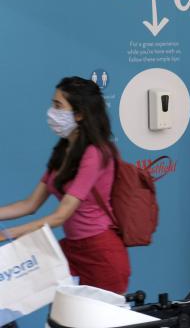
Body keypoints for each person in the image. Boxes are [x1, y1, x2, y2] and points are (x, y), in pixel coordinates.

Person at [0, 77, 130, 294]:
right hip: (72, 248)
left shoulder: (95, 153)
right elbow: (30, 204)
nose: (51, 111)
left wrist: (7, 234)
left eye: (58, 106)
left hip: (101, 252)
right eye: (53, 104)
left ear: (79, 114)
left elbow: (61, 216)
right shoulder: (63, 150)